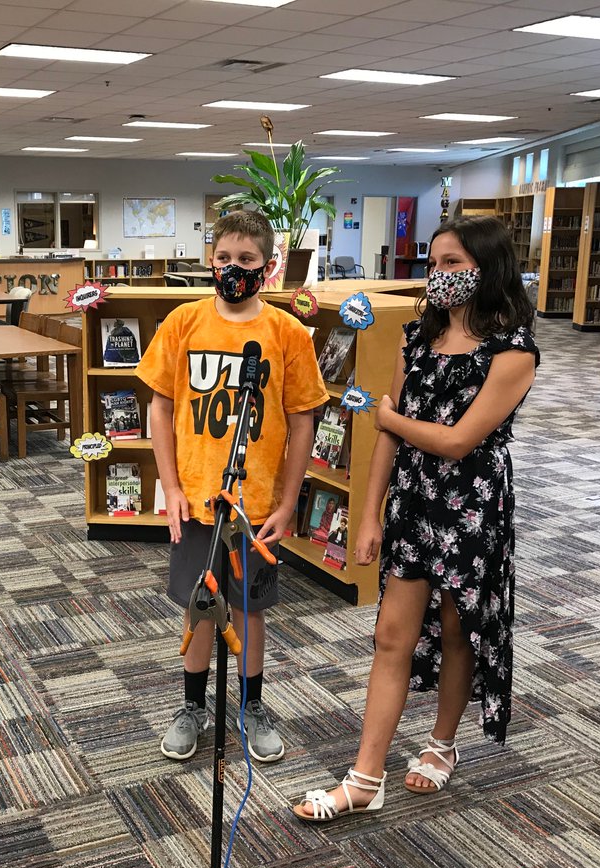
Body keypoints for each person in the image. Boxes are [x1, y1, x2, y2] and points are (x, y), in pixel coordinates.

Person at [293, 215, 539, 821]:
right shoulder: (414, 337)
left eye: (452, 264)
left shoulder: (514, 352)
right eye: (433, 264)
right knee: (391, 635)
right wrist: (368, 514)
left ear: (487, 267)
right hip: (412, 498)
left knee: (458, 629)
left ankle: (442, 743)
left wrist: (391, 420)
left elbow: (457, 441)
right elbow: (385, 443)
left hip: (473, 505)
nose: (439, 275)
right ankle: (364, 776)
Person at [137, 209, 327, 764]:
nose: (232, 268)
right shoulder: (183, 322)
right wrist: (170, 487)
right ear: (209, 260)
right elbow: (161, 408)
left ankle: (251, 704)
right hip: (196, 498)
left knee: (249, 608)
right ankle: (193, 705)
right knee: (200, 605)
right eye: (224, 258)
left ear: (267, 268)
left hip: (256, 504)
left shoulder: (286, 333)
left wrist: (290, 501)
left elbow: (302, 423)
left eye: (246, 260)